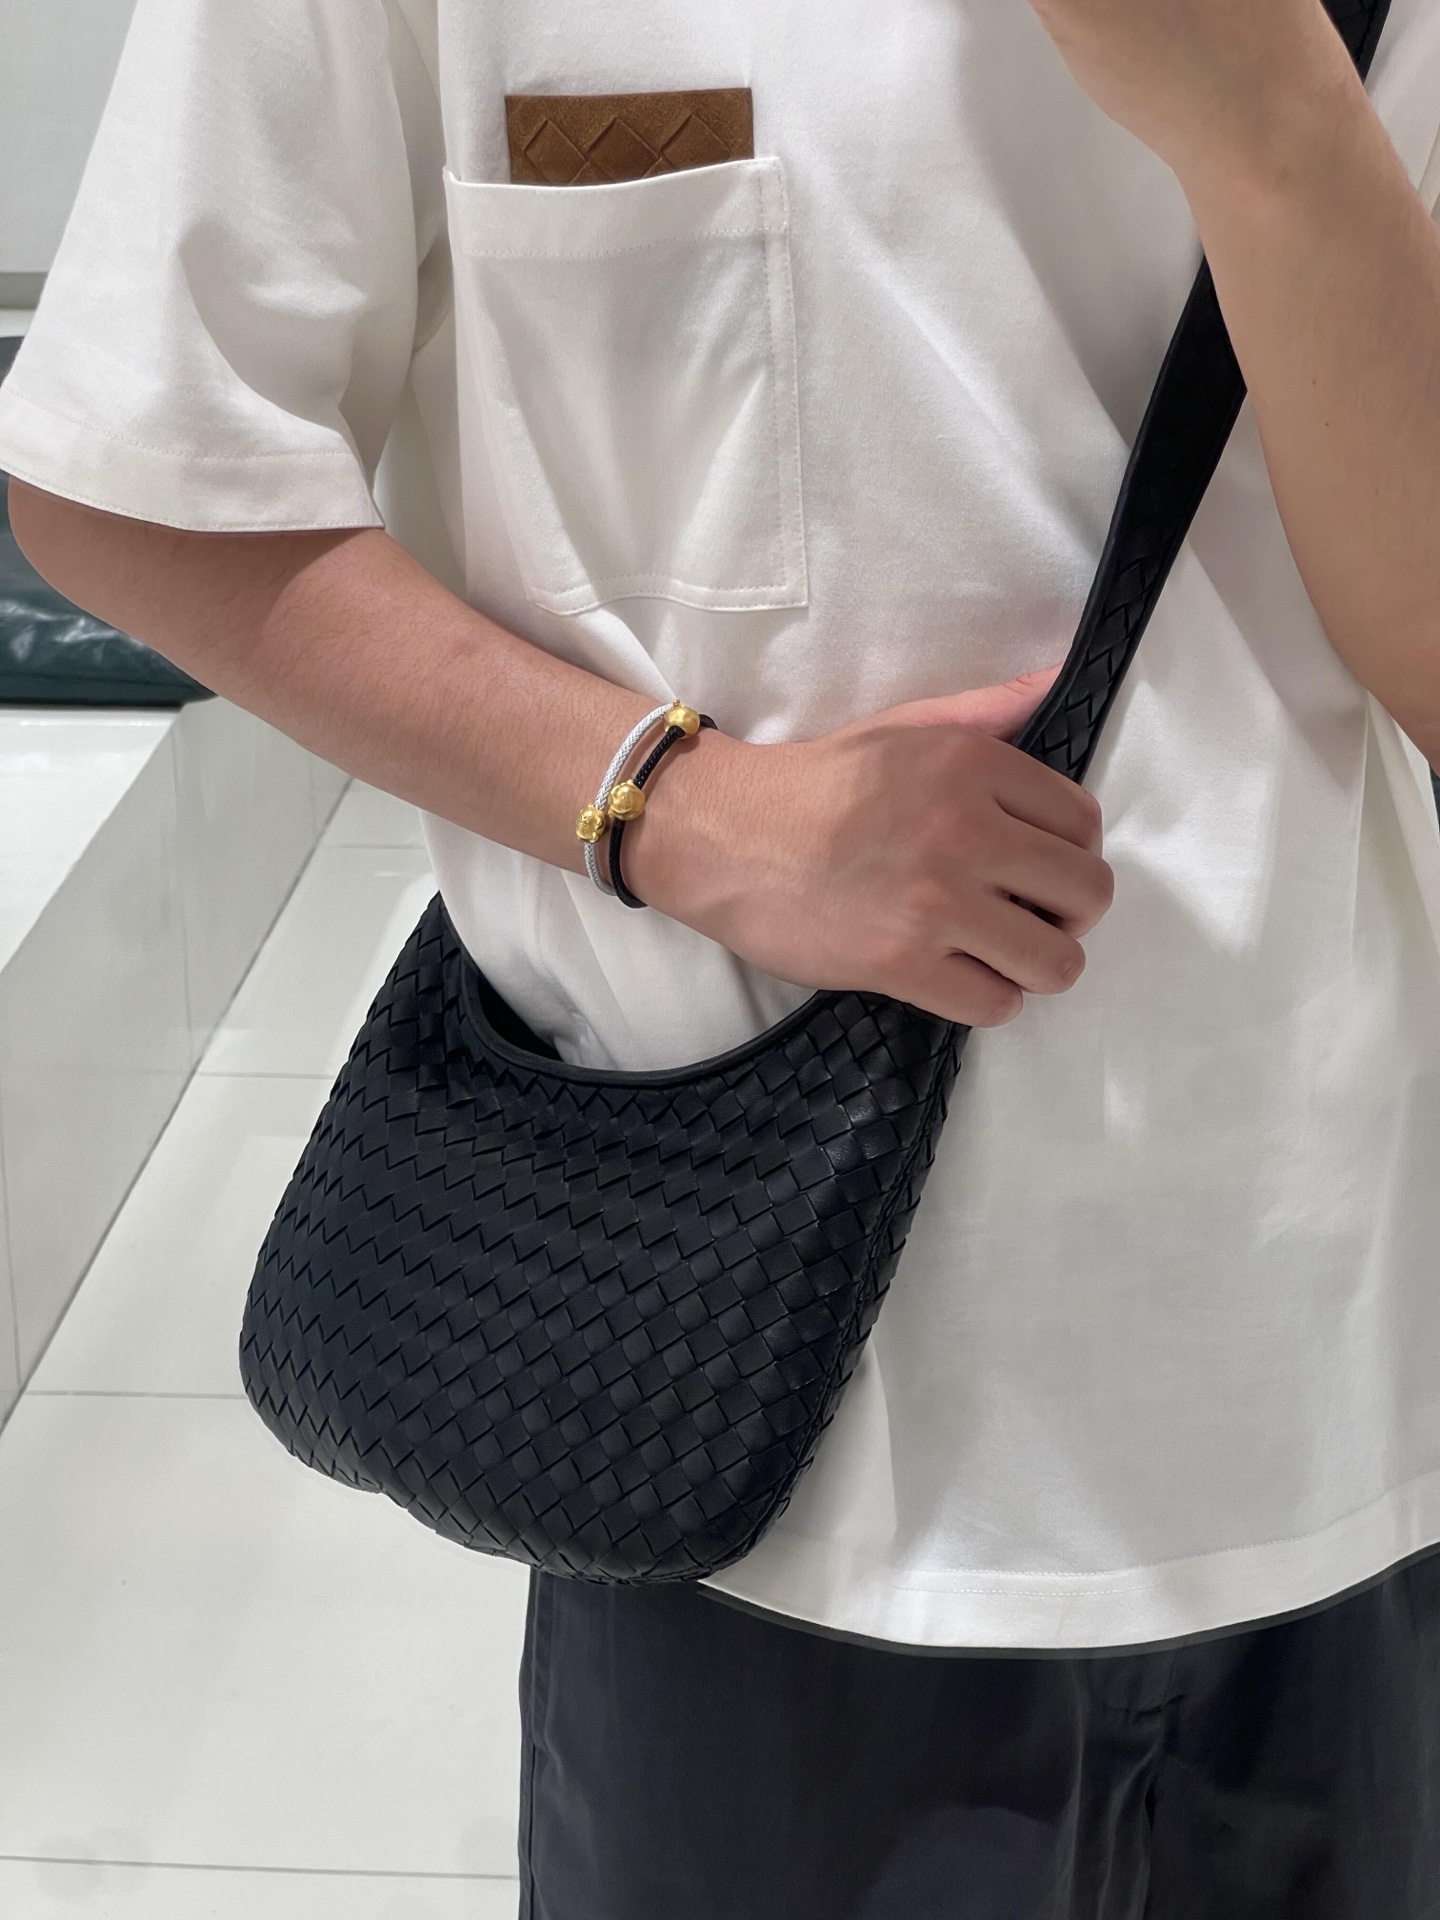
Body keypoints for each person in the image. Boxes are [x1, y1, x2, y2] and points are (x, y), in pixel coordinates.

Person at [6, 0, 1440, 1912]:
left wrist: (1275, 127)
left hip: (1341, 1368)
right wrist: (676, 807)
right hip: (755, 1418)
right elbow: (139, 469)